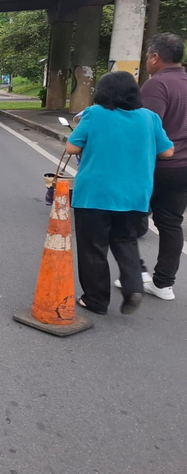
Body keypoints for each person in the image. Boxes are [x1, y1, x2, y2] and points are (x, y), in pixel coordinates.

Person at [65, 71, 173, 315]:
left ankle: (96, 300)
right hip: (135, 196)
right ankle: (133, 285)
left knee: (93, 248)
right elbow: (167, 152)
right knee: (125, 241)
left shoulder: (94, 114)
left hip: (95, 194)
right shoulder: (150, 118)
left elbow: (72, 147)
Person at [140, 33, 187, 301]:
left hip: (157, 166)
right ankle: (164, 283)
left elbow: (145, 130)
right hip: (183, 168)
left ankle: (134, 273)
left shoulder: (156, 86)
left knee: (128, 219)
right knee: (171, 224)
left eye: (148, 56)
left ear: (155, 57)